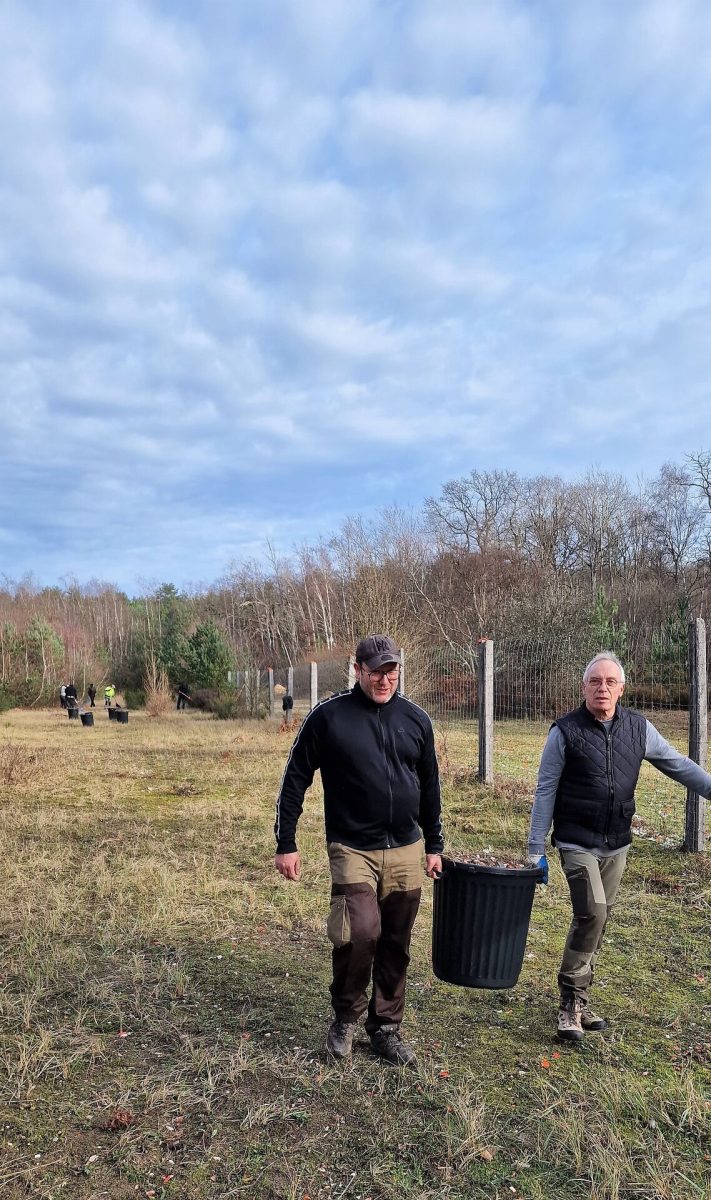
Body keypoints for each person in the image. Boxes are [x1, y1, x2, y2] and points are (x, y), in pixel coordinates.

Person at [275, 634, 443, 1068]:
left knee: (396, 940)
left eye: (391, 671)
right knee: (359, 932)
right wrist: (286, 842)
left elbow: (430, 786)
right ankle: (345, 1017)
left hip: (405, 847)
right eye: (376, 672)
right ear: (357, 671)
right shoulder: (329, 717)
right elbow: (295, 777)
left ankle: (385, 1027)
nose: (385, 680)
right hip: (352, 847)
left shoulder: (416, 719)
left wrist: (434, 844)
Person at [528, 651, 711, 1043]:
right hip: (576, 839)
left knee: (599, 918)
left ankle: (580, 998)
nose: (603, 688)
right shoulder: (564, 732)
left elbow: (678, 763)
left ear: (622, 689)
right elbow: (545, 789)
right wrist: (535, 848)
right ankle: (570, 1002)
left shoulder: (639, 729)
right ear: (584, 687)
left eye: (610, 682)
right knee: (592, 912)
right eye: (595, 681)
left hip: (617, 842)